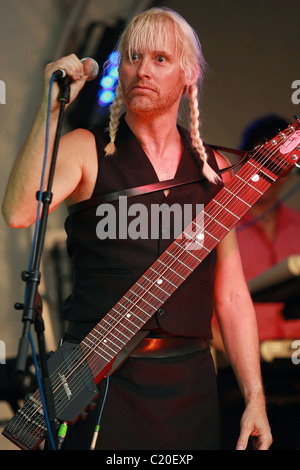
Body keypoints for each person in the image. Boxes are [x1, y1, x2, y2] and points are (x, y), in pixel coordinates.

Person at [2, 8, 272, 450]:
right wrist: (49, 113)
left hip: (191, 387)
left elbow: (230, 293)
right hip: (100, 383)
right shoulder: (85, 149)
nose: (143, 69)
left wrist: (254, 398)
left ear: (188, 74)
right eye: (132, 57)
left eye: (160, 59)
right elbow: (17, 212)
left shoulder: (214, 171)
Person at [212, 114, 300, 449]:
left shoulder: (298, 225)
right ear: (243, 161)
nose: (274, 175)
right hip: (236, 374)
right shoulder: (219, 221)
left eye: (283, 165)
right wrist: (247, 361)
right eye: (265, 162)